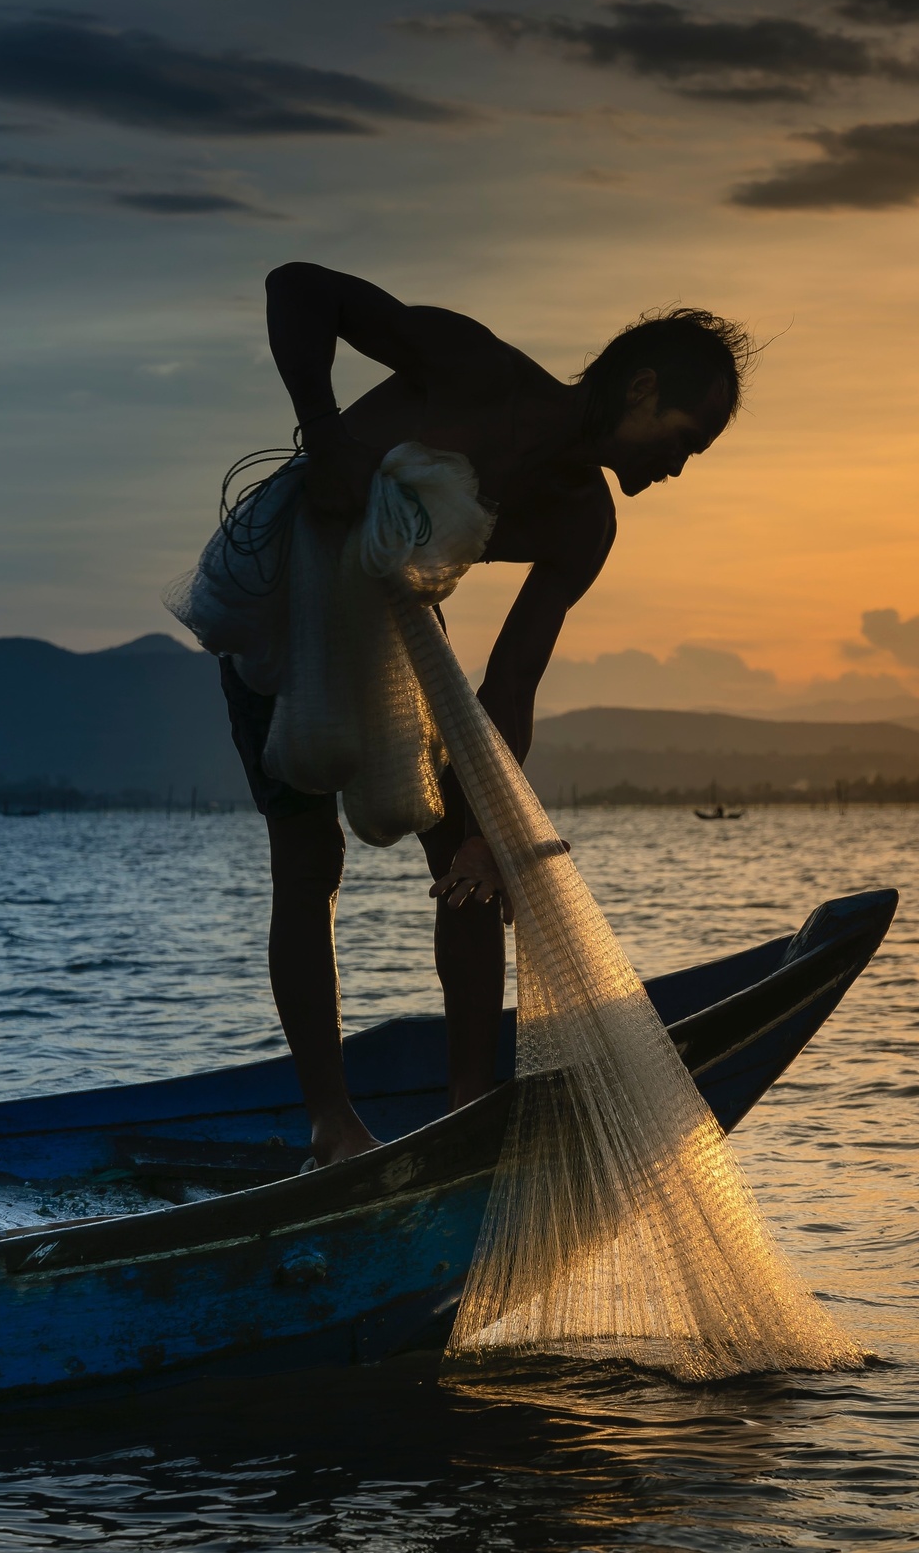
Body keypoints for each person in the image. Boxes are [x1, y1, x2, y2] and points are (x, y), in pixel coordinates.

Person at [221, 263, 751, 1167]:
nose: (677, 465)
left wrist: (488, 835)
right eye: (683, 437)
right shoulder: (476, 372)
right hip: (287, 600)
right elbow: (296, 288)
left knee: (477, 847)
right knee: (309, 860)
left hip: (394, 633)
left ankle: (469, 1103)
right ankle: (330, 1126)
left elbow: (511, 682)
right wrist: (329, 439)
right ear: (642, 386)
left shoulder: (583, 524)